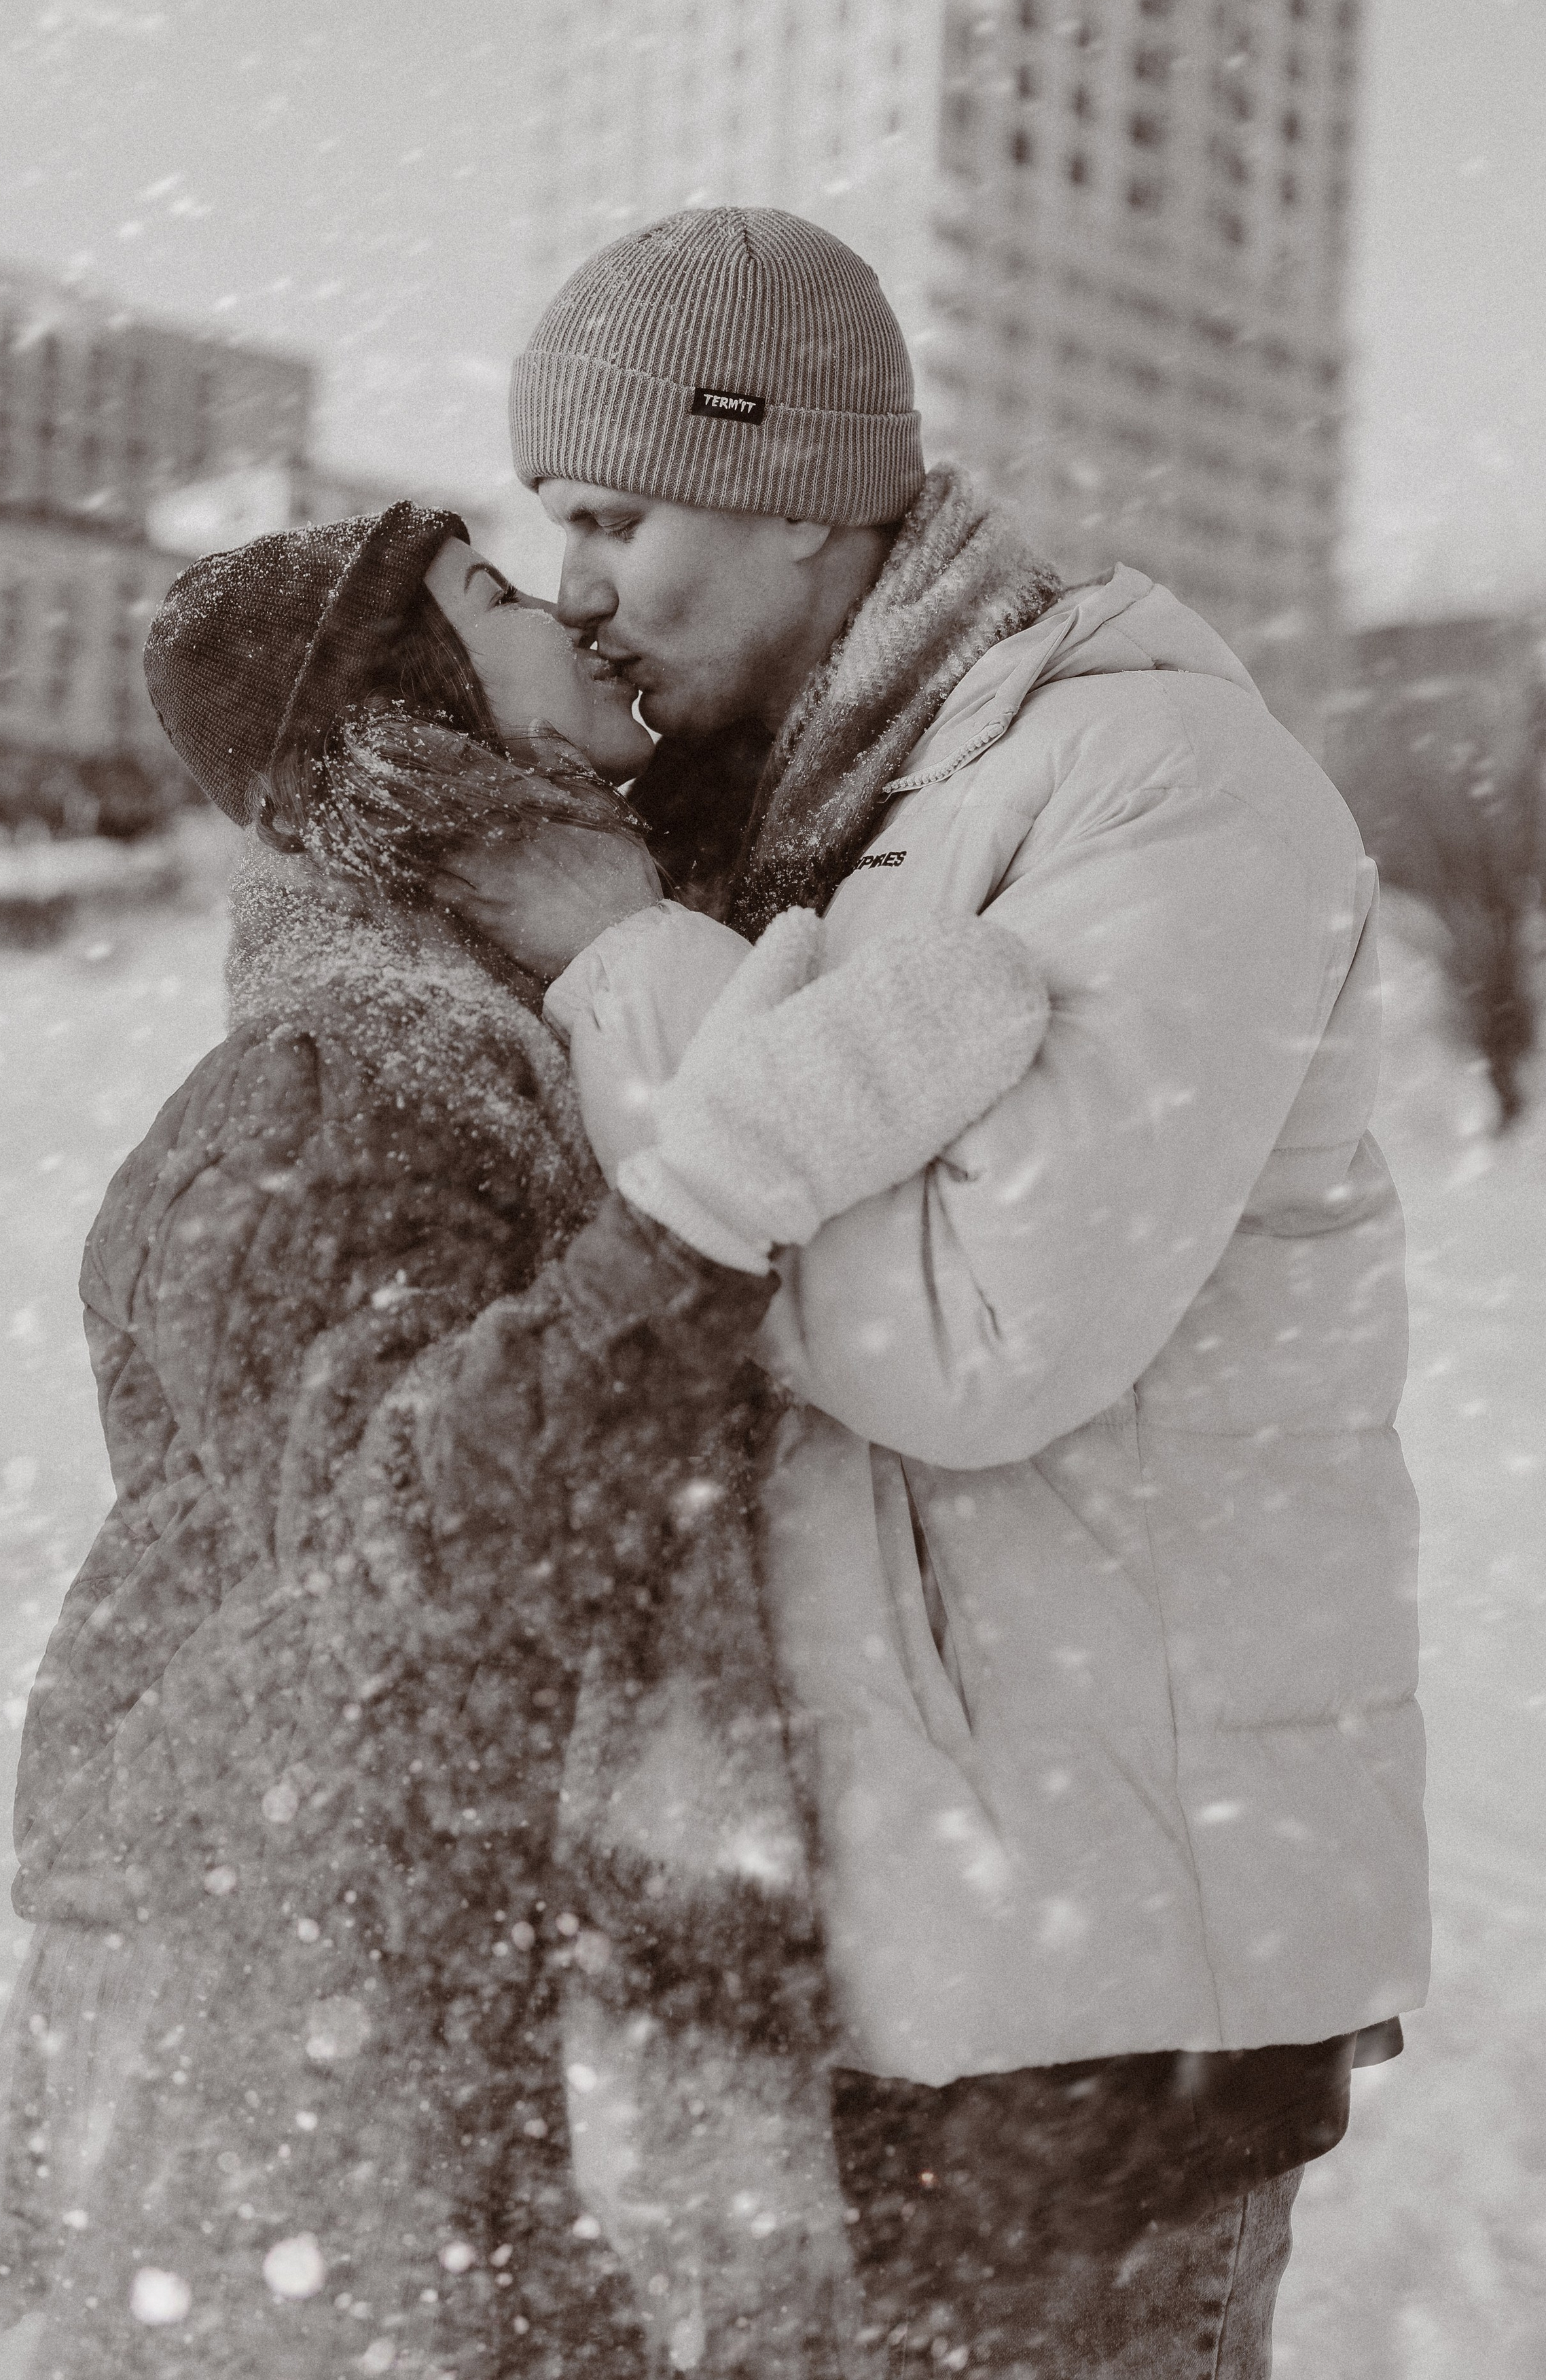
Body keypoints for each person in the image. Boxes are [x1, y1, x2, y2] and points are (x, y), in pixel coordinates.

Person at [0, 499, 1051, 2380]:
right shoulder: (327, 1087)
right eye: (498, 595)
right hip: (359, 2092)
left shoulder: (507, 1043)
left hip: (471, 2050)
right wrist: (734, 1183)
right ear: (417, 717)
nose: (576, 611)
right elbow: (419, 1545)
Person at [501, 206, 1431, 2379]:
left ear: (796, 484)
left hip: (1099, 1999)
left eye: (613, 516)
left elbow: (972, 1342)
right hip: (884, 1952)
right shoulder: (835, 805)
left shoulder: (1163, 787)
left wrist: (616, 953)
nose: (573, 589)